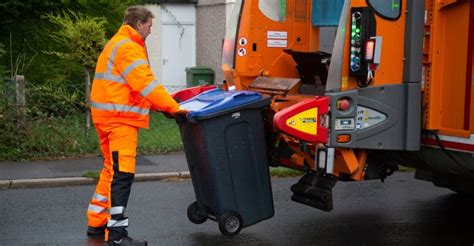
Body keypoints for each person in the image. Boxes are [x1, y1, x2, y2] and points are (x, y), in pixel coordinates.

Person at [86, 5, 186, 246]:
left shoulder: (117, 43)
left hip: (107, 117)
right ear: (139, 23)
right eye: (150, 26)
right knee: (123, 175)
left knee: (111, 169)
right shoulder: (128, 47)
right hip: (120, 121)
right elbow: (146, 85)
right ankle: (118, 236)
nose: (151, 31)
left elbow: (129, 88)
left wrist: (161, 107)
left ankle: (96, 221)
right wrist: (175, 107)